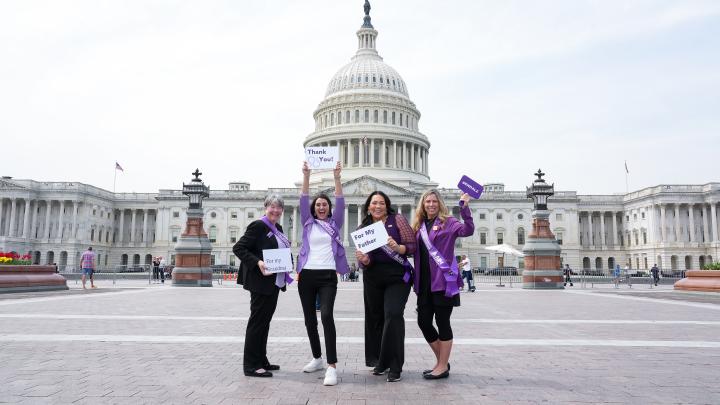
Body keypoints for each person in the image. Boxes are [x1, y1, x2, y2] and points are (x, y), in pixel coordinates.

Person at [412, 190, 473, 380]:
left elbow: (468, 230)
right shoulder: (418, 226)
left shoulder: (450, 222)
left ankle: (440, 365)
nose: (430, 204)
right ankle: (442, 362)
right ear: (422, 205)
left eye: (434, 201)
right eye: (427, 201)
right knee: (423, 321)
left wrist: (464, 208)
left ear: (440, 204)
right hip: (424, 283)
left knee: (442, 322)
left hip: (443, 281)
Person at [355, 191, 415, 382]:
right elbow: (364, 260)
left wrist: (399, 248)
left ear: (387, 204)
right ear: (368, 206)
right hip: (373, 278)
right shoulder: (364, 226)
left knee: (393, 315)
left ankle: (396, 365)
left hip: (397, 276)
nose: (378, 206)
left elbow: (412, 245)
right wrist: (364, 260)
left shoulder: (397, 219)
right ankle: (381, 361)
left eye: (381, 202)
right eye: (374, 203)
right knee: (376, 320)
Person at [296, 161, 347, 386]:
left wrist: (337, 179)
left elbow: (341, 202)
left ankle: (332, 366)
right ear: (314, 208)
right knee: (309, 320)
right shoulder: (307, 222)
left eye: (324, 204)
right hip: (306, 275)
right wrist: (306, 176)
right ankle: (317, 357)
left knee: (326, 316)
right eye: (318, 204)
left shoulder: (335, 224)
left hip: (327, 275)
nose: (321, 207)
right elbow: (303, 199)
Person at [232, 194, 293, 378]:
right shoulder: (258, 226)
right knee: (257, 323)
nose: (275, 210)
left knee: (264, 324)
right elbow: (239, 248)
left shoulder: (278, 228)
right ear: (265, 208)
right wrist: (257, 262)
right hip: (260, 282)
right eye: (272, 207)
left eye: (278, 207)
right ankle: (251, 365)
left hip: (273, 282)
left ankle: (261, 360)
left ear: (282, 210)